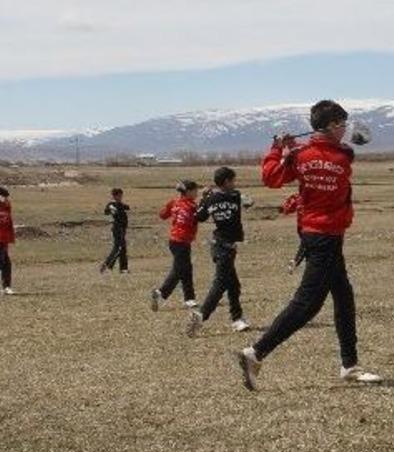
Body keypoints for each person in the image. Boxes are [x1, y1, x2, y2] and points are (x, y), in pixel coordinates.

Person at [236, 100, 382, 390]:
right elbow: (348, 149)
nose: (344, 129)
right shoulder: (339, 154)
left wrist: (280, 149)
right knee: (308, 303)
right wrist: (284, 149)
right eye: (341, 124)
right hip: (323, 235)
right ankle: (255, 352)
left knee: (344, 297)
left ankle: (350, 365)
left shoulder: (305, 154)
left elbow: (271, 178)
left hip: (322, 234)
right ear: (329, 126)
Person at [186, 167, 253, 337]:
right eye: (233, 180)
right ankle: (201, 316)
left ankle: (237, 319)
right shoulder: (234, 196)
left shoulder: (219, 198)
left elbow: (199, 216)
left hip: (223, 246)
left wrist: (205, 198)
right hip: (223, 247)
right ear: (226, 182)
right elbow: (250, 201)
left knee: (233, 285)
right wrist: (206, 198)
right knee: (221, 283)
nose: (234, 183)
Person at [150, 180, 202, 312]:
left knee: (186, 269)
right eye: (195, 190)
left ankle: (189, 298)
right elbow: (200, 216)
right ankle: (160, 292)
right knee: (179, 270)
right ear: (189, 191)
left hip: (175, 241)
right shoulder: (191, 205)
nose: (197, 193)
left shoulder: (174, 202)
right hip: (181, 241)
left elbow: (162, 215)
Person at [100, 188, 130, 274]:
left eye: (121, 195)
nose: (121, 197)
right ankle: (106, 266)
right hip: (118, 228)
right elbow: (107, 211)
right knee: (118, 248)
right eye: (119, 195)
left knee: (123, 248)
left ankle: (123, 268)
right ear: (115, 196)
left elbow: (126, 207)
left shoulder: (119, 204)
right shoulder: (111, 204)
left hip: (122, 229)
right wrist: (112, 209)